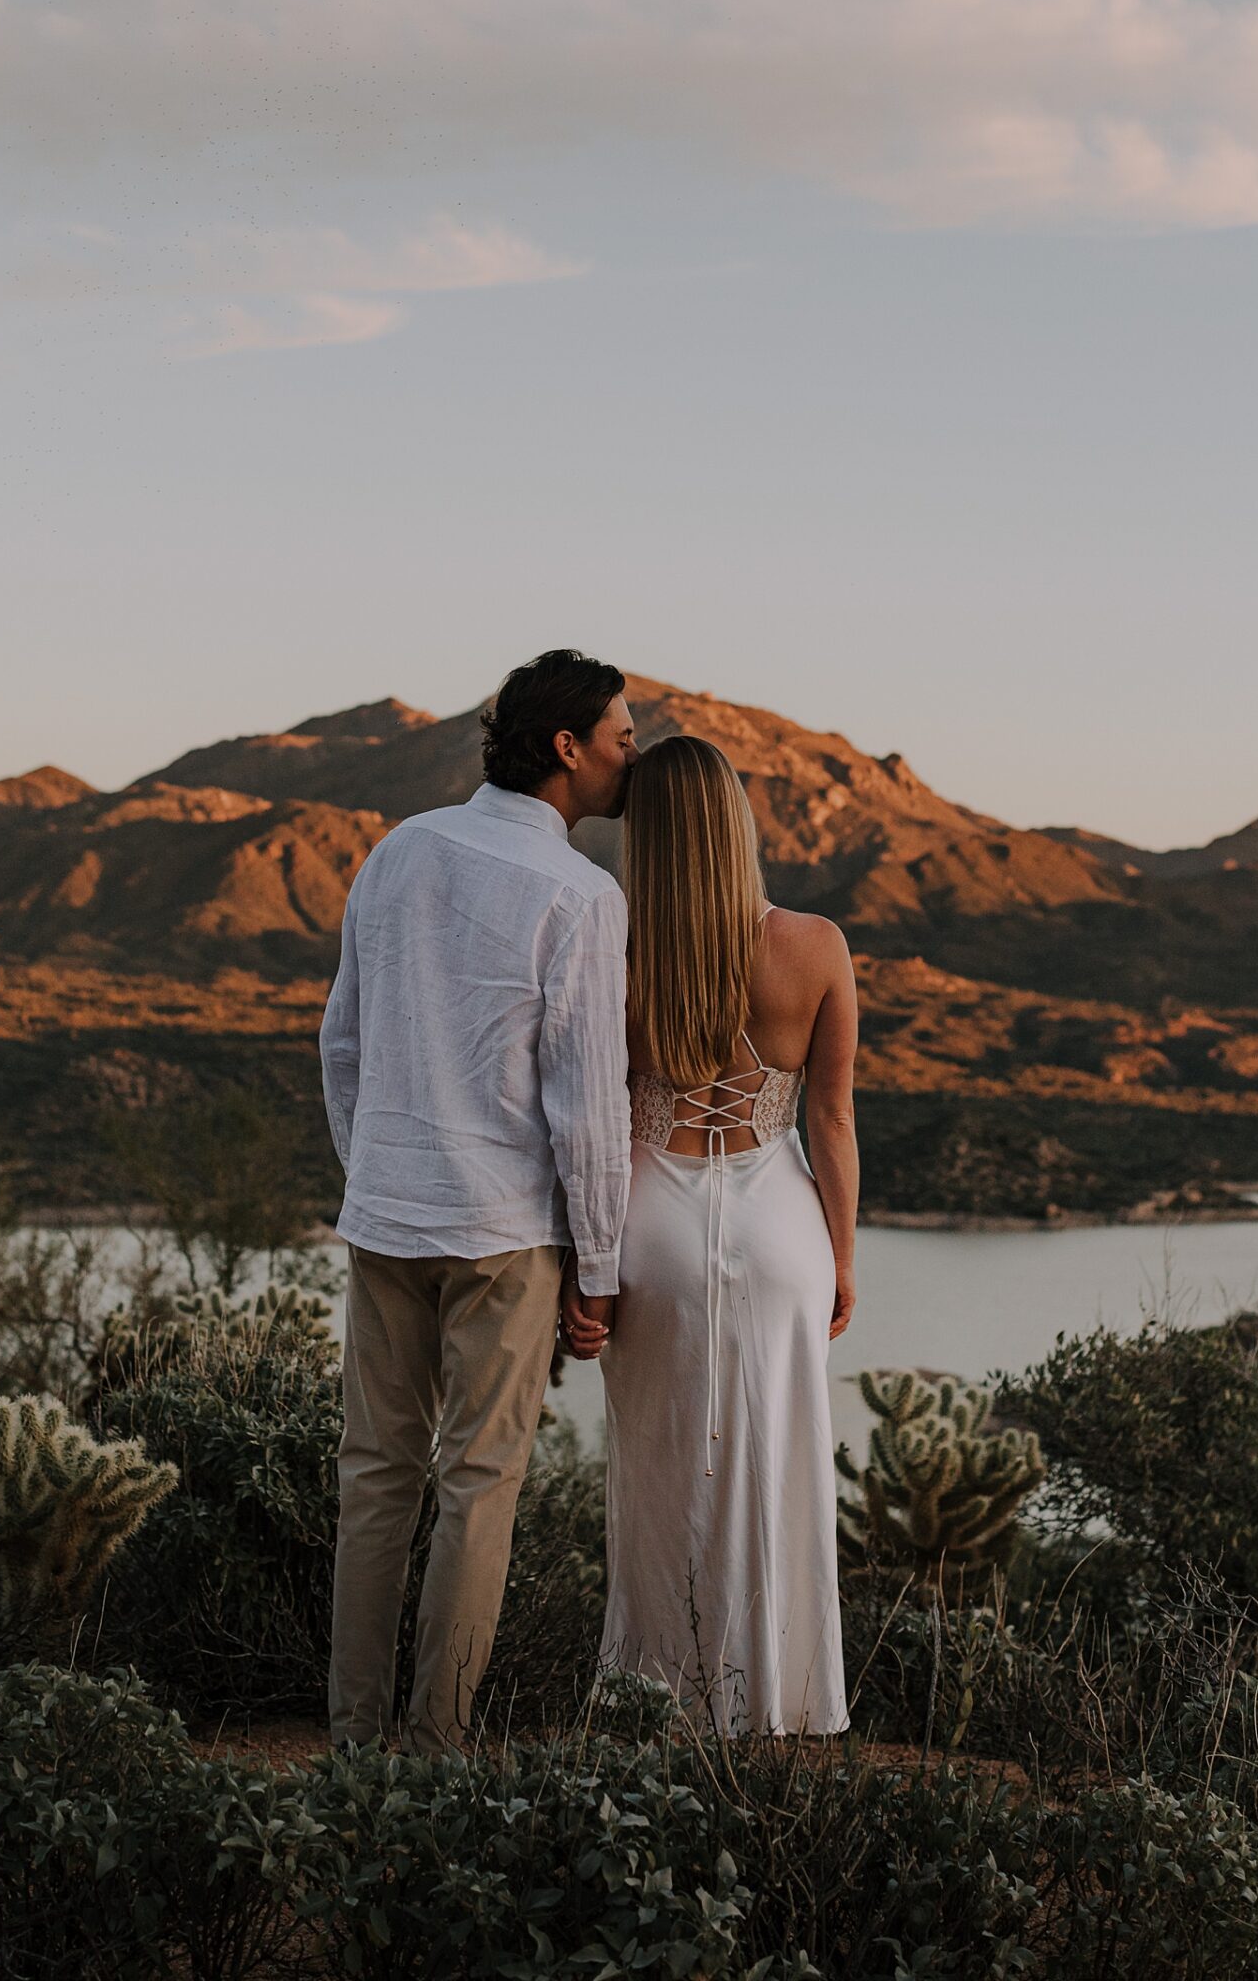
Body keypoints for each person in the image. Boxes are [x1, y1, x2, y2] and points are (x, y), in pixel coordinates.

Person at [319, 650, 637, 1751]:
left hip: (387, 1214)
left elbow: (343, 1042)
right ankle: (437, 1746)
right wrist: (597, 1271)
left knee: (373, 1478)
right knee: (479, 1484)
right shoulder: (581, 896)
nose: (629, 752)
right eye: (620, 735)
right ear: (567, 747)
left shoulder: (399, 851)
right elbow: (587, 1108)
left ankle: (355, 1737)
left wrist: (372, 1172)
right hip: (505, 1233)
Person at [565, 733, 858, 1735]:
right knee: (778, 1460)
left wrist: (588, 1269)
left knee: (656, 1470)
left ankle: (660, 1697)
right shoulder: (815, 947)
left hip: (650, 1226)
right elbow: (831, 1121)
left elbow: (598, 1124)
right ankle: (772, 1701)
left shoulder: (618, 954)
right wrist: (845, 1258)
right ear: (737, 820)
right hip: (785, 1225)